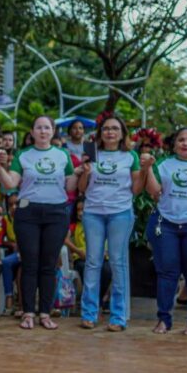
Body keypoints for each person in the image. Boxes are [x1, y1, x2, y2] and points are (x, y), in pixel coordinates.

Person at [0, 116, 81, 330]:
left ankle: (45, 312)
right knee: (29, 263)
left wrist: (81, 173)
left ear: (53, 131)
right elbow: (11, 183)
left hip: (56, 212)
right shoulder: (23, 155)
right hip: (27, 210)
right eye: (39, 127)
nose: (43, 131)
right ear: (32, 132)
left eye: (47, 127)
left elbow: (70, 186)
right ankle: (28, 312)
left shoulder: (63, 155)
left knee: (49, 265)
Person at [77, 116, 143, 332]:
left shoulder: (130, 156)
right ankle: (88, 314)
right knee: (93, 262)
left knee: (118, 263)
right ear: (100, 132)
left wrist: (145, 170)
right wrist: (85, 173)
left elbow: (136, 189)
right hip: (93, 213)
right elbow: (82, 189)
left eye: (115, 129)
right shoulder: (91, 153)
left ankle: (118, 317)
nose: (110, 132)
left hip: (120, 214)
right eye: (106, 129)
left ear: (123, 133)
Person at [143, 127, 187, 335]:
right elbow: (154, 192)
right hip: (166, 223)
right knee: (167, 273)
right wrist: (150, 168)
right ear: (174, 144)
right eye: (181, 140)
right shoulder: (164, 164)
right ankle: (164, 319)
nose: (186, 143)